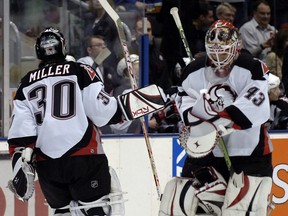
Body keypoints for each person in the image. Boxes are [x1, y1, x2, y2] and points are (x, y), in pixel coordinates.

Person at [7, 27, 128, 216]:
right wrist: (125, 108)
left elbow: (21, 135)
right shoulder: (80, 71)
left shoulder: (25, 83)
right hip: (84, 157)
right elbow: (102, 113)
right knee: (96, 208)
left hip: (48, 165)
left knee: (63, 211)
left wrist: (19, 162)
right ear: (62, 47)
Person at [160, 20, 273, 215]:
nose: (218, 53)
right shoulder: (194, 71)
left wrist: (215, 117)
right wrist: (200, 120)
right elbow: (186, 109)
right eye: (214, 48)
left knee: (241, 210)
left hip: (249, 152)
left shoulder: (252, 68)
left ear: (236, 46)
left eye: (223, 48)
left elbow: (249, 112)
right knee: (182, 202)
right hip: (206, 150)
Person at [130, 18, 169, 89]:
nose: (146, 33)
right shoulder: (128, 50)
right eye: (141, 30)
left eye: (148, 30)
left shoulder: (157, 52)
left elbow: (164, 79)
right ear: (134, 32)